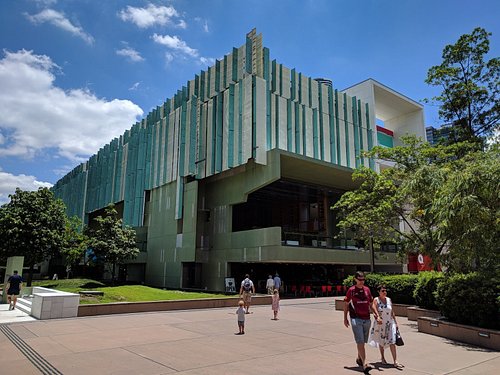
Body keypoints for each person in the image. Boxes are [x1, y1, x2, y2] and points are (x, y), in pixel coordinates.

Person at [343, 271, 376, 374]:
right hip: (355, 318)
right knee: (360, 341)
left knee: (363, 341)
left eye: (363, 279)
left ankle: (359, 358)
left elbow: (371, 303)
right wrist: (345, 318)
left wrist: (376, 314)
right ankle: (365, 363)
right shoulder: (351, 290)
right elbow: (346, 304)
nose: (362, 281)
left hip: (366, 319)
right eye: (360, 279)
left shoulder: (367, 290)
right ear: (355, 279)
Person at [368, 285, 402, 368]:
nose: (384, 292)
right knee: (381, 341)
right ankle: (383, 358)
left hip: (390, 323)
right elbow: (373, 309)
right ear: (379, 292)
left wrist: (396, 323)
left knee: (392, 341)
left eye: (385, 290)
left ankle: (395, 361)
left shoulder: (389, 300)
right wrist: (377, 317)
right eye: (383, 291)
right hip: (380, 324)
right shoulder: (376, 300)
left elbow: (392, 312)